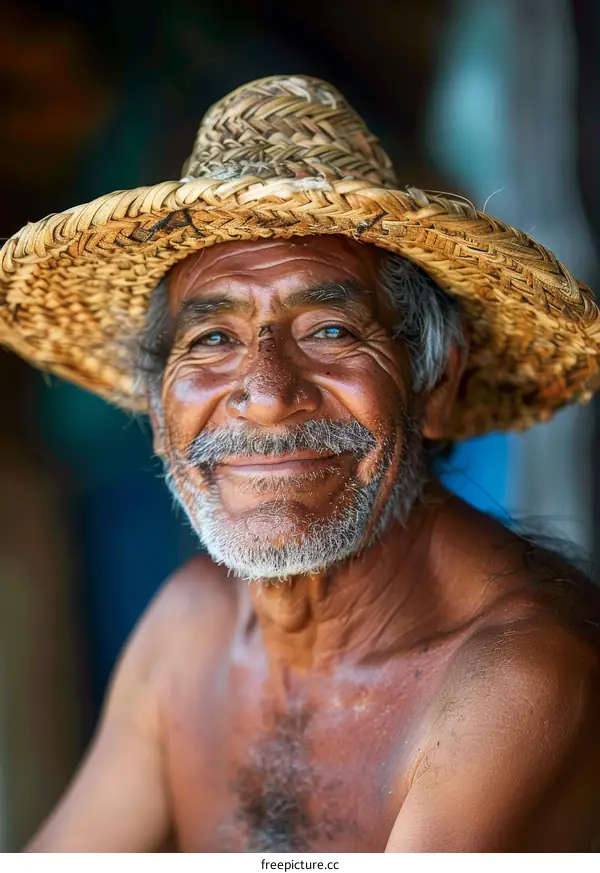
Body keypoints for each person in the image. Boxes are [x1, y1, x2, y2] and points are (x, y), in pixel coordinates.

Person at [2, 75, 600, 853]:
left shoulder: (515, 679)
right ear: (156, 415)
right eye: (212, 339)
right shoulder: (193, 630)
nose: (268, 394)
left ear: (437, 386)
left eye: (329, 330)